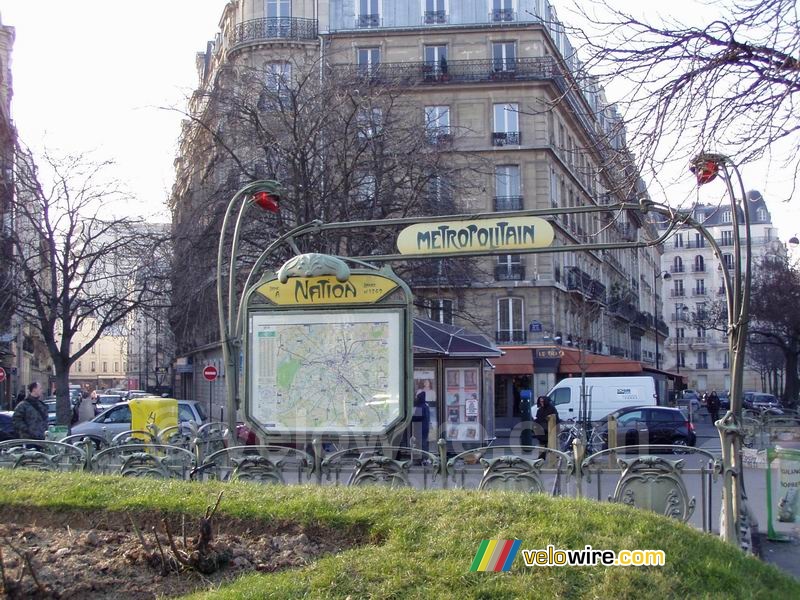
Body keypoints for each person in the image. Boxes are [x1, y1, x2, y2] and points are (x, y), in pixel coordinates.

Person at [411, 390, 431, 455]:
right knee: (424, 442)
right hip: (425, 427)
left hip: (420, 427)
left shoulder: (420, 406)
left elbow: (416, 418)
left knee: (421, 443)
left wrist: (409, 417)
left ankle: (422, 458)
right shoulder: (426, 405)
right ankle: (425, 457)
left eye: (417, 397)